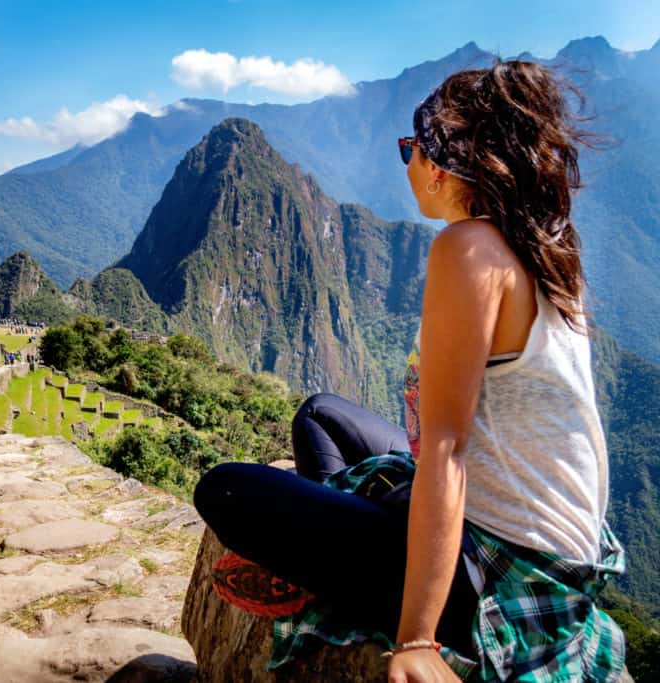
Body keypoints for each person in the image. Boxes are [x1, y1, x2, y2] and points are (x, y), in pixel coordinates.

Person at [193, 60, 625, 682]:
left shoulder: (469, 250)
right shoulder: (545, 245)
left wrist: (417, 639)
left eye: (411, 149)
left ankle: (368, 573)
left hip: (493, 571)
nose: (408, 164)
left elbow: (445, 448)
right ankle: (360, 542)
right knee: (321, 413)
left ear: (446, 164)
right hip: (547, 544)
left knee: (226, 489)